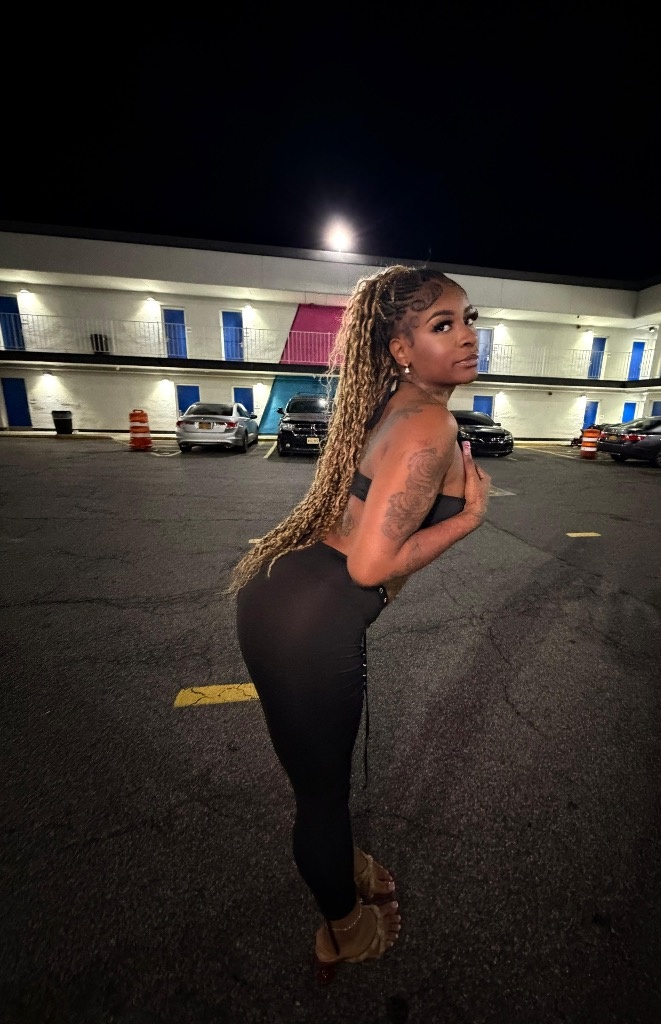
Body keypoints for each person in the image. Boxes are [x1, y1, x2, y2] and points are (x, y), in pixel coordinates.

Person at [229, 264, 491, 984]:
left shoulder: (398, 403)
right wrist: (469, 517)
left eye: (468, 319)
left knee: (317, 789)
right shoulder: (430, 423)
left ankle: (341, 861)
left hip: (282, 596)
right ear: (401, 349)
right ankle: (343, 929)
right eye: (443, 325)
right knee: (320, 801)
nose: (468, 336)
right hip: (310, 626)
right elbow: (372, 565)